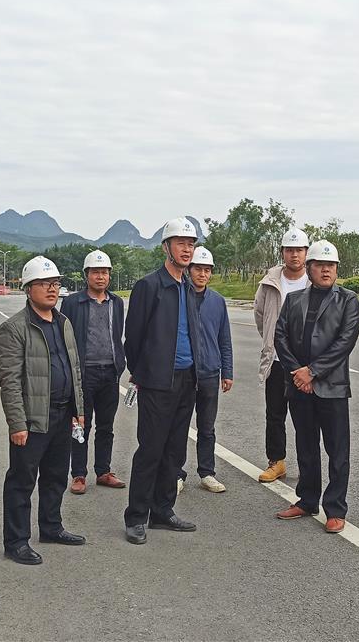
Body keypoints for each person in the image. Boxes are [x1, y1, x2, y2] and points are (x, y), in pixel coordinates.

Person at [0, 256, 86, 566]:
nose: (52, 289)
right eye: (44, 284)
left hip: (62, 414)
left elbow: (74, 369)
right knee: (21, 482)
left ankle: (51, 527)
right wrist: (17, 423)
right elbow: (9, 381)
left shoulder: (64, 323)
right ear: (28, 288)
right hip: (33, 419)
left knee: (56, 476)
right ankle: (16, 541)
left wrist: (79, 409)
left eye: (55, 283)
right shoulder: (14, 328)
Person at [123, 217, 202, 544]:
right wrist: (143, 373)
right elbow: (133, 338)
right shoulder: (150, 286)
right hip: (157, 381)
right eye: (181, 243)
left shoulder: (189, 287)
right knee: (151, 450)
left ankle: (163, 510)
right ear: (166, 247)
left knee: (175, 450)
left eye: (191, 244)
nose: (187, 249)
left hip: (186, 380)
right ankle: (136, 516)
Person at [273, 241, 359, 534]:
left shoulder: (348, 300)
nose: (326, 270)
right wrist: (298, 374)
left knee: (338, 451)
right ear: (309, 268)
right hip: (299, 386)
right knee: (306, 446)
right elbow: (280, 337)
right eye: (320, 265)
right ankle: (307, 500)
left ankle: (335, 509)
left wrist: (313, 372)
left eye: (331, 265)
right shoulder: (294, 299)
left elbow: (345, 342)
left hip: (331, 388)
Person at [61, 249, 126, 494]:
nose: (100, 277)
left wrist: (120, 364)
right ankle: (78, 474)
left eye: (105, 272)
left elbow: (117, 335)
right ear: (86, 275)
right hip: (83, 374)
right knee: (81, 425)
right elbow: (64, 338)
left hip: (110, 372)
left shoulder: (116, 303)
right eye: (96, 272)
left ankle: (103, 471)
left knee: (106, 426)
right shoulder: (72, 303)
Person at [253, 228, 310, 483]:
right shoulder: (270, 282)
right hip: (276, 362)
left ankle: (308, 466)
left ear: (306, 253)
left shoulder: (312, 282)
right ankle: (276, 462)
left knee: (305, 418)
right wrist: (271, 342)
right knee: (274, 414)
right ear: (282, 252)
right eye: (289, 250)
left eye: (299, 250)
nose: (294, 255)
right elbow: (260, 314)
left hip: (304, 365)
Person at [177, 246, 233, 494]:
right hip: (184, 372)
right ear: (189, 270)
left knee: (207, 427)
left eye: (207, 270)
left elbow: (224, 339)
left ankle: (207, 472)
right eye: (198, 269)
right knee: (179, 425)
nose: (202, 274)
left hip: (210, 371)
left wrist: (227, 371)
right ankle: (176, 473)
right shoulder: (179, 296)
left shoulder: (217, 301)